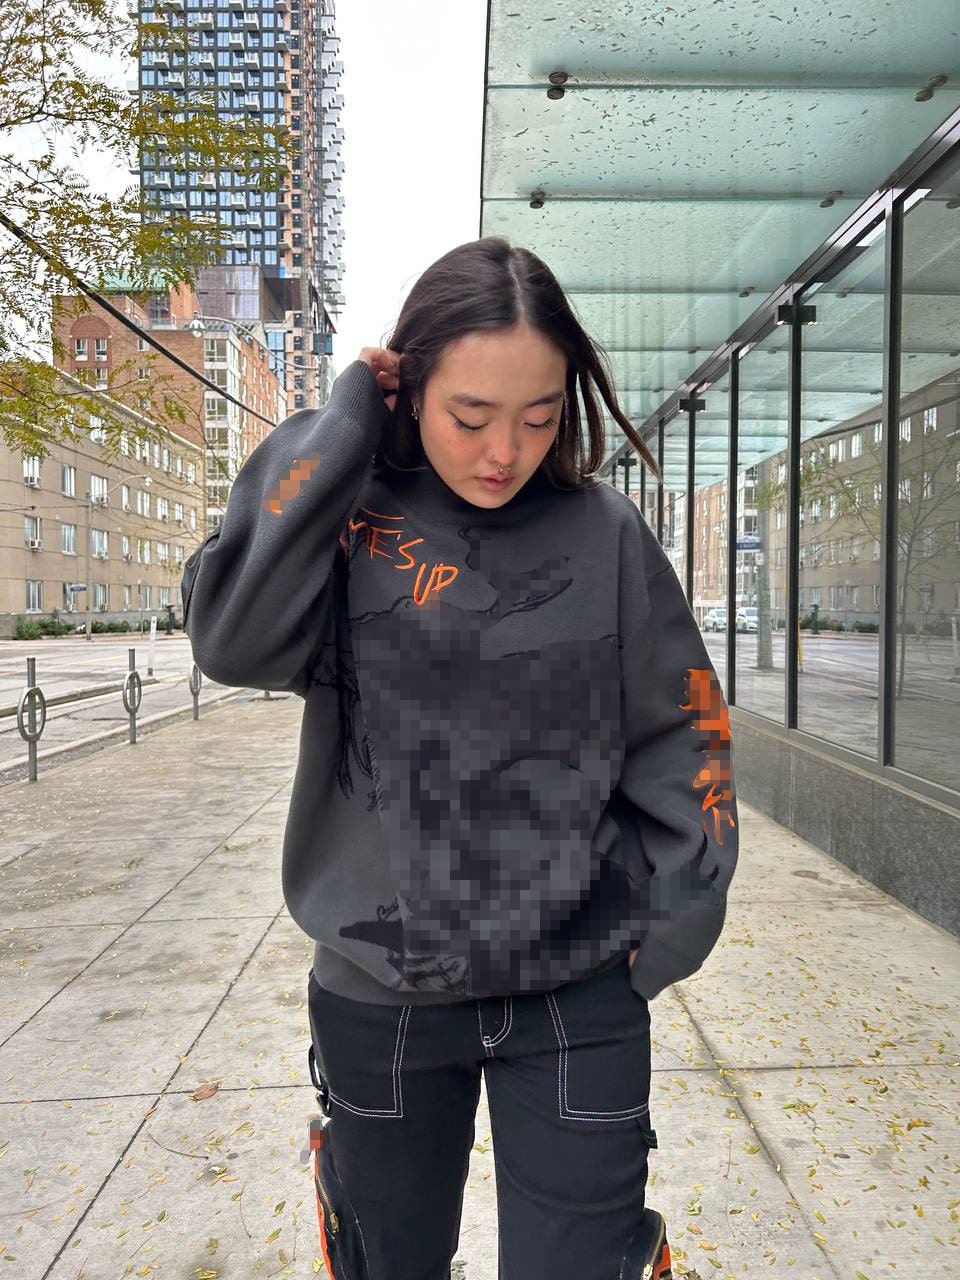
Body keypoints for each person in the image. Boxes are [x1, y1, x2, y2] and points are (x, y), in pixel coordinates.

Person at [181, 237, 738, 1280]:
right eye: (470, 415)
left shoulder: (606, 534)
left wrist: (678, 917)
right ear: (412, 389)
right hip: (382, 994)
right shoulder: (351, 527)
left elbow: (686, 724)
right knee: (387, 1263)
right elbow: (231, 639)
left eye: (539, 416)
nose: (504, 451)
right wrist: (342, 424)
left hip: (576, 993)